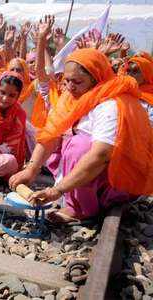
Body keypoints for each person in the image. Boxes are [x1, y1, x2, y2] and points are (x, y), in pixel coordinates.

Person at [9, 48, 153, 223]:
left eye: (77, 81)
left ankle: (82, 208)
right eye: (67, 80)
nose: (70, 87)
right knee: (64, 140)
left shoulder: (111, 104)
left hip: (118, 178)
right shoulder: (72, 97)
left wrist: (57, 190)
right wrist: (31, 169)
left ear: (95, 78)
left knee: (79, 146)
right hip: (93, 172)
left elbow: (100, 154)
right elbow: (50, 135)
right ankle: (75, 196)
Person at [126, 55, 153, 125]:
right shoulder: (121, 90)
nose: (130, 74)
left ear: (146, 74)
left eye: (135, 71)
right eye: (128, 70)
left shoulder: (150, 100)